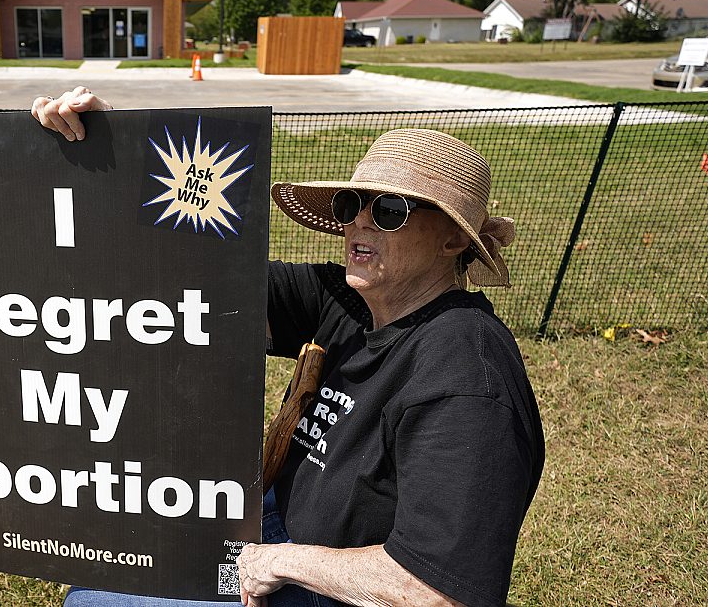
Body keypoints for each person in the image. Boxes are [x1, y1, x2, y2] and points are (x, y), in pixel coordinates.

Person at [31, 88, 545, 607]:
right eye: (352, 204)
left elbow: (438, 591)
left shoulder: (464, 375)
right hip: (279, 526)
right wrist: (111, 152)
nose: (359, 222)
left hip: (335, 587)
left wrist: (278, 561)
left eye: (389, 209)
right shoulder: (348, 301)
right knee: (100, 573)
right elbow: (188, 280)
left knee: (94, 602)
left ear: (454, 241)